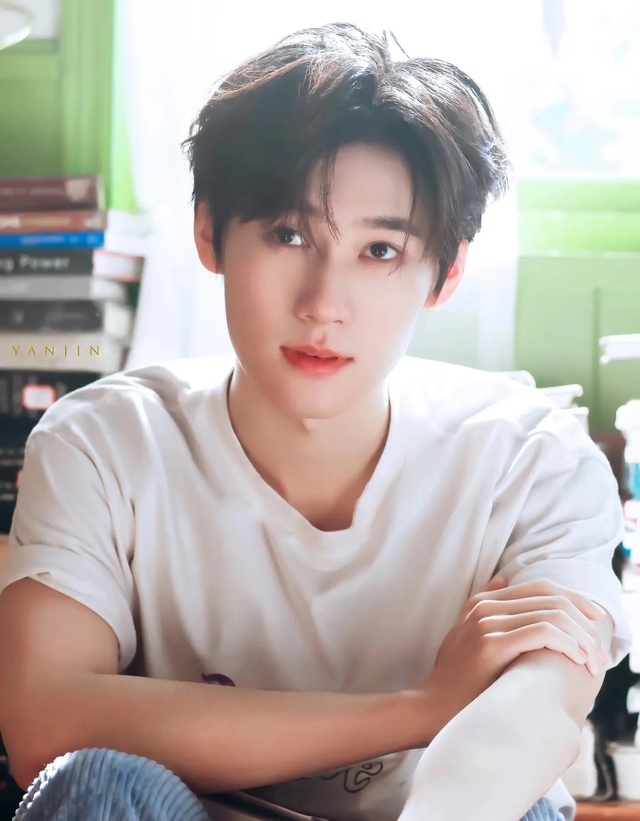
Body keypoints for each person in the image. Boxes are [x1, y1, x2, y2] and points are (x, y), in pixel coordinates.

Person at [0, 21, 631, 821]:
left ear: (447, 272)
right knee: (92, 786)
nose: (324, 304)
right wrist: (417, 708)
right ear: (209, 232)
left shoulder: (530, 456)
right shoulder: (104, 441)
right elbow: (46, 722)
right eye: (288, 234)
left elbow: (539, 703)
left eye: (380, 251)